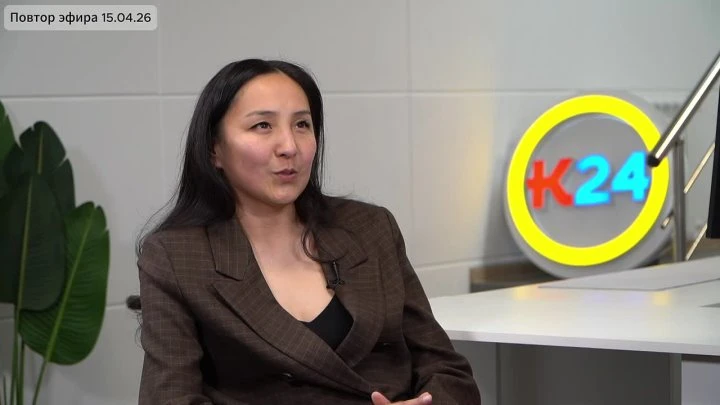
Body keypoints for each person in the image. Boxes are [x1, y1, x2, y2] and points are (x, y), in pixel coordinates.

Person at [133, 58, 483, 405]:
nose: (290, 146)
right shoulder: (176, 257)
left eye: (302, 124)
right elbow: (168, 398)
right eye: (262, 126)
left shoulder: (370, 228)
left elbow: (447, 370)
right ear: (215, 149)